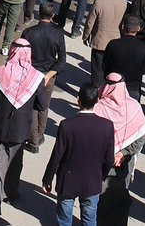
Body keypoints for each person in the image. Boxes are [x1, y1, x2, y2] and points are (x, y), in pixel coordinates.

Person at [0, 39, 47, 216]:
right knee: (14, 163)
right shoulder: (36, 78)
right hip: (20, 129)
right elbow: (42, 106)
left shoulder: (0, 73)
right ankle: (10, 194)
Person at [42, 85, 116, 226]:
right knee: (90, 220)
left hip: (68, 181)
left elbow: (57, 155)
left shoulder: (67, 125)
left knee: (64, 220)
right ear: (97, 101)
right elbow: (109, 158)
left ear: (78, 101)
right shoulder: (107, 126)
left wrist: (47, 179)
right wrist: (101, 175)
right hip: (92, 182)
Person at [96, 73, 145, 224]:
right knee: (120, 204)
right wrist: (123, 154)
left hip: (101, 165)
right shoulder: (134, 107)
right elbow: (142, 135)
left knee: (101, 203)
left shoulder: (97, 107)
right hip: (124, 165)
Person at [22, 2, 67, 154]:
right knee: (43, 106)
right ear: (52, 16)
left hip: (31, 74)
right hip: (48, 75)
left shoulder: (28, 32)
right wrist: (49, 75)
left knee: (32, 107)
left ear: (39, 13)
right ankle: (39, 135)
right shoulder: (58, 34)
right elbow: (62, 60)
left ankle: (33, 141)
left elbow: (22, 55)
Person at [85, 0, 127, 86]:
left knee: (97, 70)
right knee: (112, 69)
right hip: (116, 42)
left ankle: (96, 91)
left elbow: (90, 22)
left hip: (100, 41)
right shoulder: (125, 4)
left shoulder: (99, 2)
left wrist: (86, 36)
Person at [103, 15, 145, 102]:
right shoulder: (143, 47)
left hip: (114, 85)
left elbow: (105, 66)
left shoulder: (113, 44)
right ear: (138, 29)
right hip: (133, 87)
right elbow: (143, 69)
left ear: (123, 26)